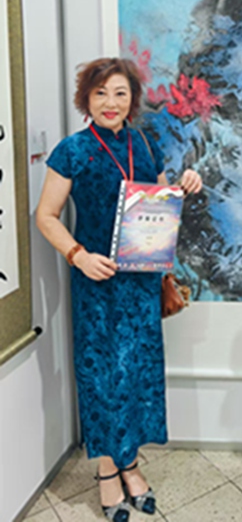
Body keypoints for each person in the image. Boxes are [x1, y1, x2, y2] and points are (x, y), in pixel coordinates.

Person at [37, 57, 202, 522]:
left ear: (132, 99)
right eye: (101, 93)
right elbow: (45, 216)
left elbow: (161, 205)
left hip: (142, 282)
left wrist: (184, 186)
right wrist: (78, 255)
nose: (111, 102)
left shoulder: (144, 144)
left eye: (120, 93)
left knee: (137, 374)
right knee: (102, 377)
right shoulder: (72, 150)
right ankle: (108, 471)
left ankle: (130, 462)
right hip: (97, 282)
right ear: (86, 99)